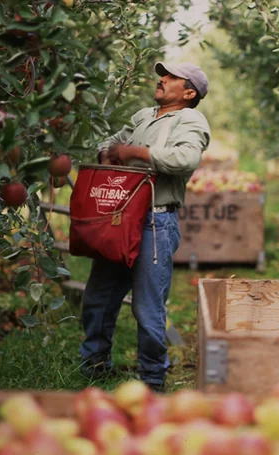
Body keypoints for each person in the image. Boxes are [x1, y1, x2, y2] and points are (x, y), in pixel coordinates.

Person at [79, 62, 211, 392]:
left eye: (171, 77)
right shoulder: (143, 116)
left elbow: (186, 160)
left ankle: (152, 380)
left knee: (147, 305)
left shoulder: (190, 120)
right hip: (120, 218)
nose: (161, 79)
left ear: (189, 92)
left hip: (156, 221)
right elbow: (113, 141)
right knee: (99, 296)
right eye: (162, 75)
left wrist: (137, 152)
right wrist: (108, 153)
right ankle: (95, 367)